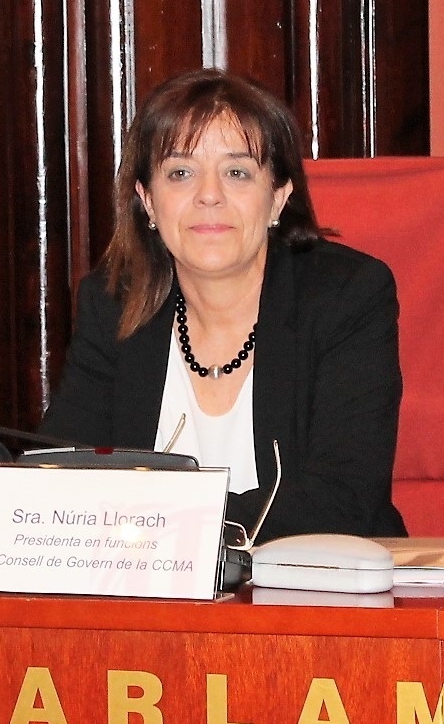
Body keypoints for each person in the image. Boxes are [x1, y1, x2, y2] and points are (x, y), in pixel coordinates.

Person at [37, 68, 404, 542]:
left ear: (278, 197)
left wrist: (165, 519)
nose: (209, 195)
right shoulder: (113, 305)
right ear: (148, 201)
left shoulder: (345, 295)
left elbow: (344, 499)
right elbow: (60, 478)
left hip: (317, 580)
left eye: (237, 173)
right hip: (149, 584)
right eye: (181, 173)